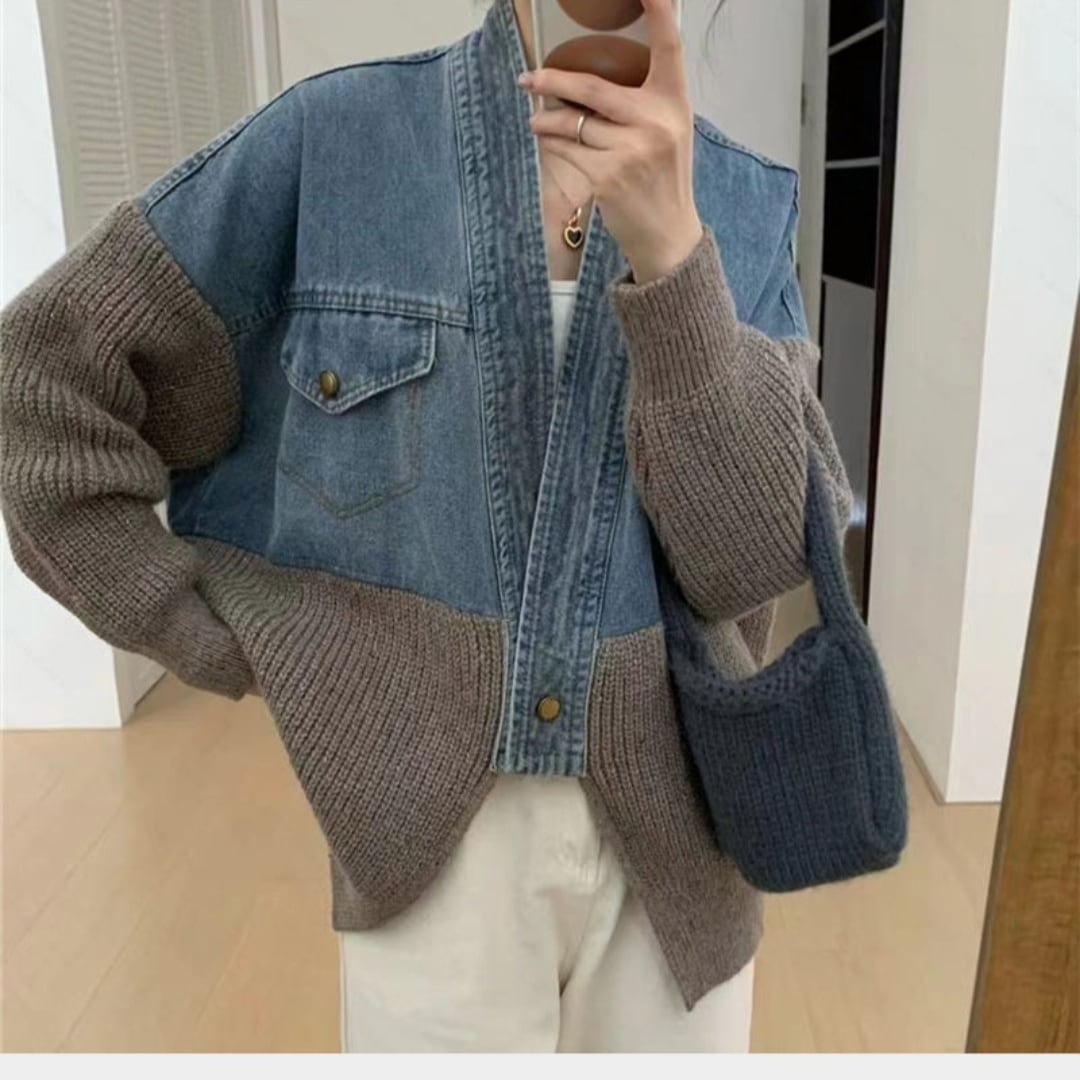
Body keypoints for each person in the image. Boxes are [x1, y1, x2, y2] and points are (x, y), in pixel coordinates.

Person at [0, 0, 852, 1053]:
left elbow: (752, 564)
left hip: (683, 873)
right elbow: (43, 384)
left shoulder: (745, 203)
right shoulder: (331, 146)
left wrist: (675, 253)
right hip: (422, 852)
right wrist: (221, 632)